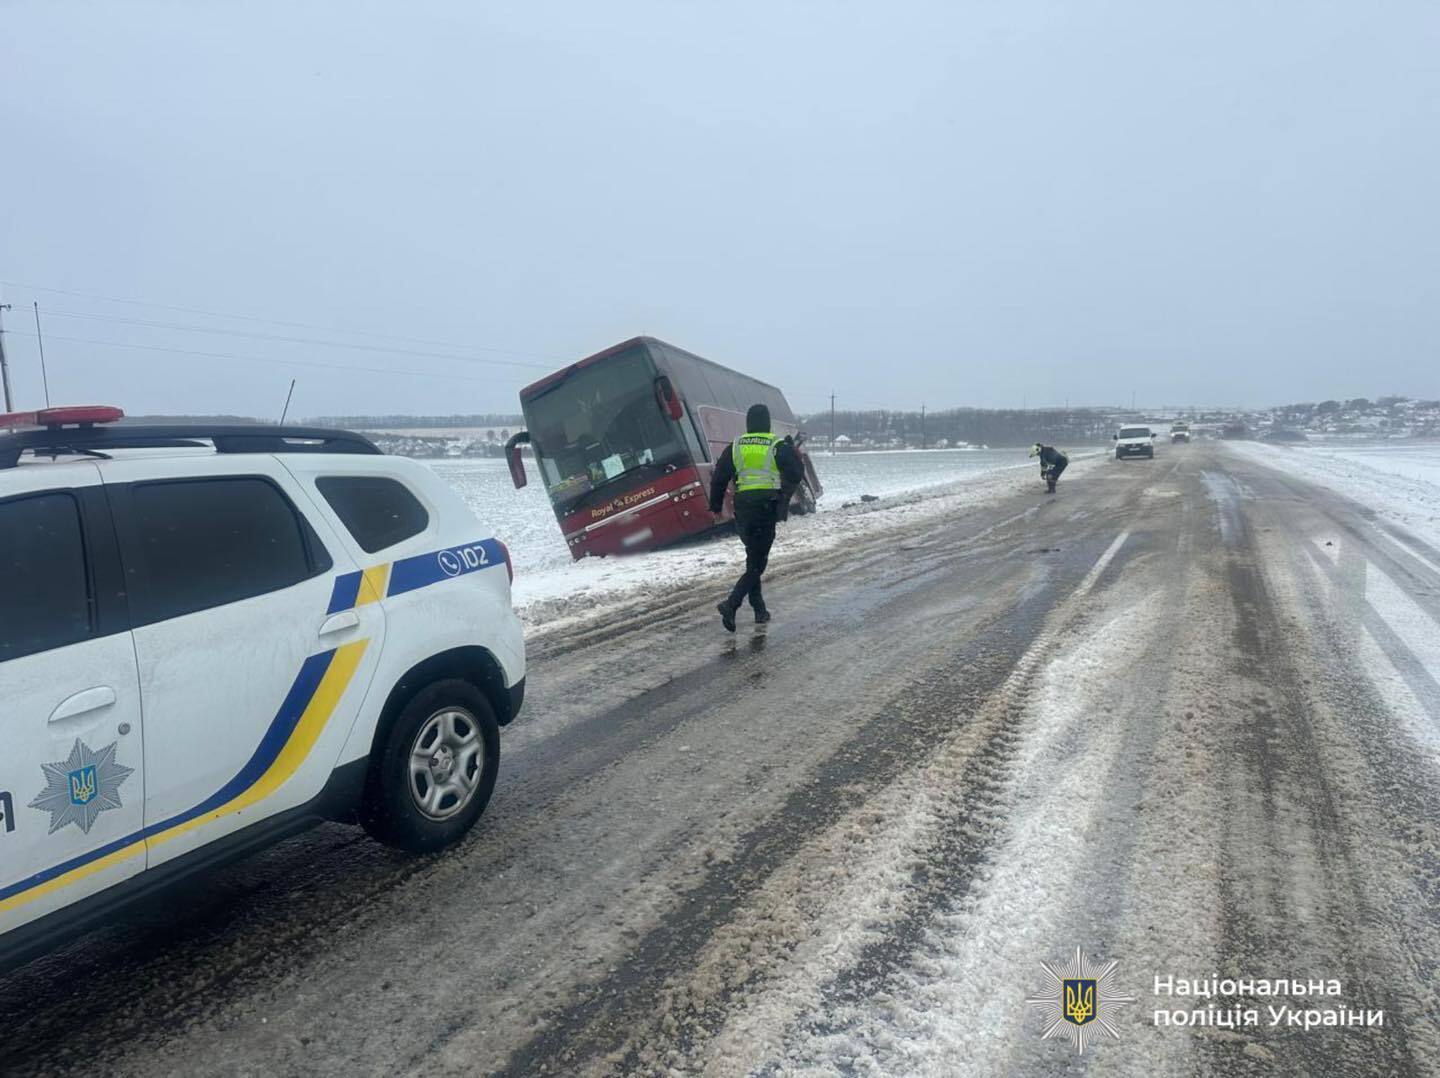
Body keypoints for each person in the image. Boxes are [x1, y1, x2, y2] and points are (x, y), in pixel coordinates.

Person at [709, 404, 805, 631]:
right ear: (767, 423)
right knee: (758, 563)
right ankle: (731, 604)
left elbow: (719, 477)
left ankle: (759, 609)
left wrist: (715, 506)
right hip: (765, 507)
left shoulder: (736, 446)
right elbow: (796, 473)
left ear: (748, 423)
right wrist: (793, 455)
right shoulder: (776, 445)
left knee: (753, 557)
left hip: (743, 508)